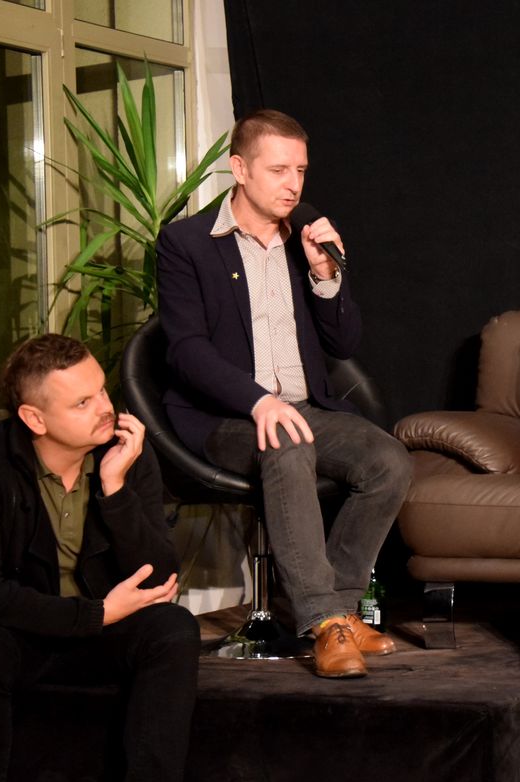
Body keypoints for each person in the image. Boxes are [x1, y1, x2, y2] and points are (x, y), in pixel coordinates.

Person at [156, 109, 411, 679]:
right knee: (286, 443)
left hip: (303, 406)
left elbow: (344, 341)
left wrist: (325, 274)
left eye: (300, 170)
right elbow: (185, 350)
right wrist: (257, 401)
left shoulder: (305, 238)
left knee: (388, 460)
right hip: (224, 415)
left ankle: (338, 610)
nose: (293, 184)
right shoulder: (188, 242)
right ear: (239, 168)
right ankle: (324, 622)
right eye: (278, 170)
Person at [0, 334, 199, 782]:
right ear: (34, 418)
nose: (105, 409)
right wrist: (97, 613)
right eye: (81, 402)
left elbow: (161, 578)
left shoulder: (125, 451)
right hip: (17, 633)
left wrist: (115, 488)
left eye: (101, 391)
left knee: (173, 630)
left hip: (99, 634)